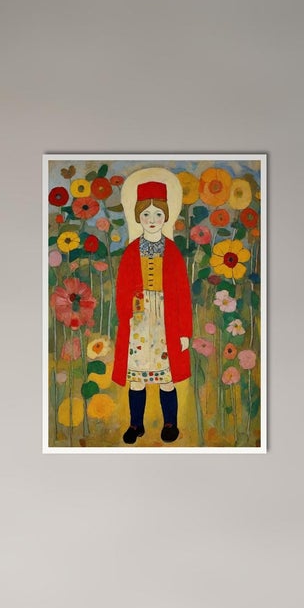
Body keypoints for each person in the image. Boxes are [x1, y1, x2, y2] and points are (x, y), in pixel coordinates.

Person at [111, 181, 191, 444]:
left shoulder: (173, 253)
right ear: (138, 216)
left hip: (166, 323)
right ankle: (136, 425)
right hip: (139, 324)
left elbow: (182, 295)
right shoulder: (131, 252)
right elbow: (122, 289)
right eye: (146, 213)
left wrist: (184, 332)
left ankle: (170, 423)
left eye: (158, 213)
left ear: (166, 215)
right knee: (137, 379)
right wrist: (130, 312)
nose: (152, 219)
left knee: (167, 378)